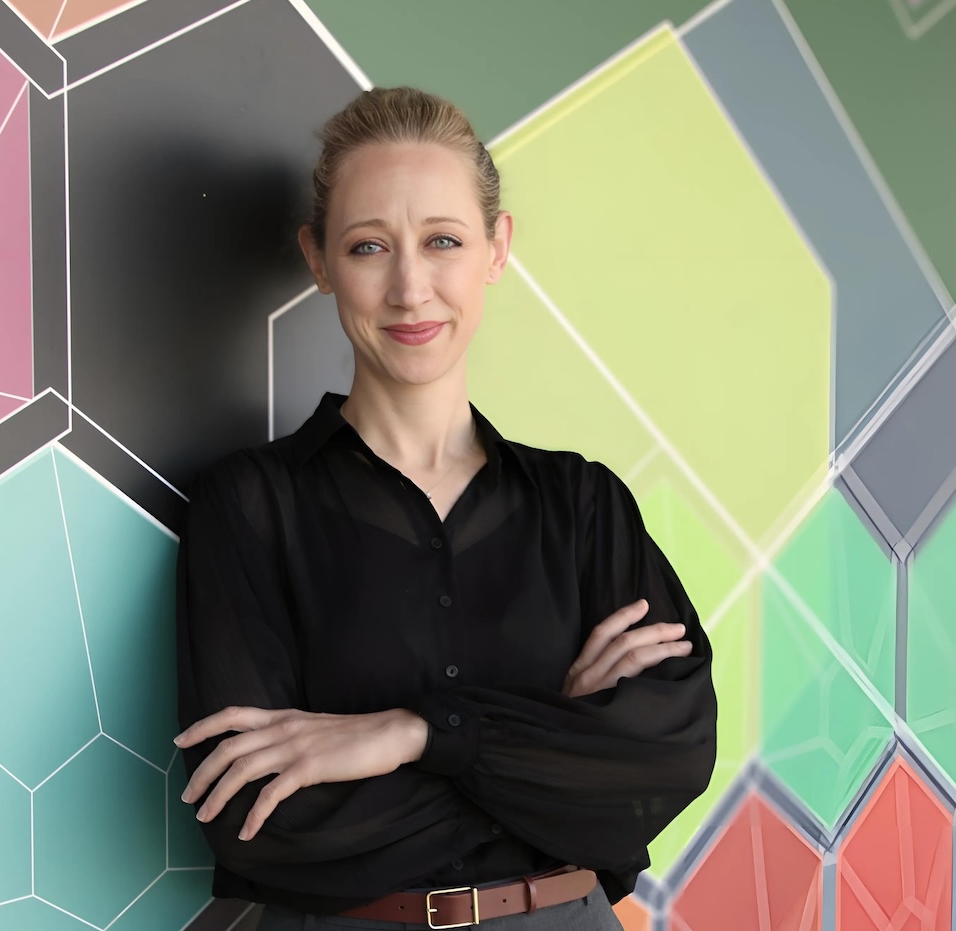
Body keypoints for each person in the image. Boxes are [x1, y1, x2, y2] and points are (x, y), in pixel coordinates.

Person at [173, 87, 718, 930]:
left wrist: (410, 734)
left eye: (443, 242)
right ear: (318, 260)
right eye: (367, 247)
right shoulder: (249, 506)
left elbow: (666, 758)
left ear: (496, 249)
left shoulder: (584, 505)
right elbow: (262, 821)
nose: (410, 288)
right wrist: (549, 746)